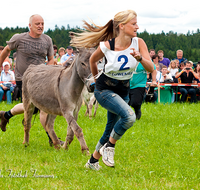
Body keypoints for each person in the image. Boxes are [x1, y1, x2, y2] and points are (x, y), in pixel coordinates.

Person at [71, 10, 154, 170]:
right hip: (104, 90)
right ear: (122, 26)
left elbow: (150, 67)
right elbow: (92, 60)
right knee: (129, 117)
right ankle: (109, 147)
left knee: (110, 128)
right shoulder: (108, 45)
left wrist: (140, 58)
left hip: (123, 91)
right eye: (134, 23)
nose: (138, 26)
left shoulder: (139, 43)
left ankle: (92, 162)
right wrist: (95, 80)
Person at [0, 14, 54, 135]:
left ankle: (6, 115)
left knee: (32, 107)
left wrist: (48, 74)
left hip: (40, 78)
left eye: (42, 24)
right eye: (37, 24)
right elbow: (6, 50)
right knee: (43, 106)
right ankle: (53, 139)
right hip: (23, 79)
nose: (40, 26)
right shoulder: (19, 38)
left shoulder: (47, 40)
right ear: (30, 25)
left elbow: (51, 59)